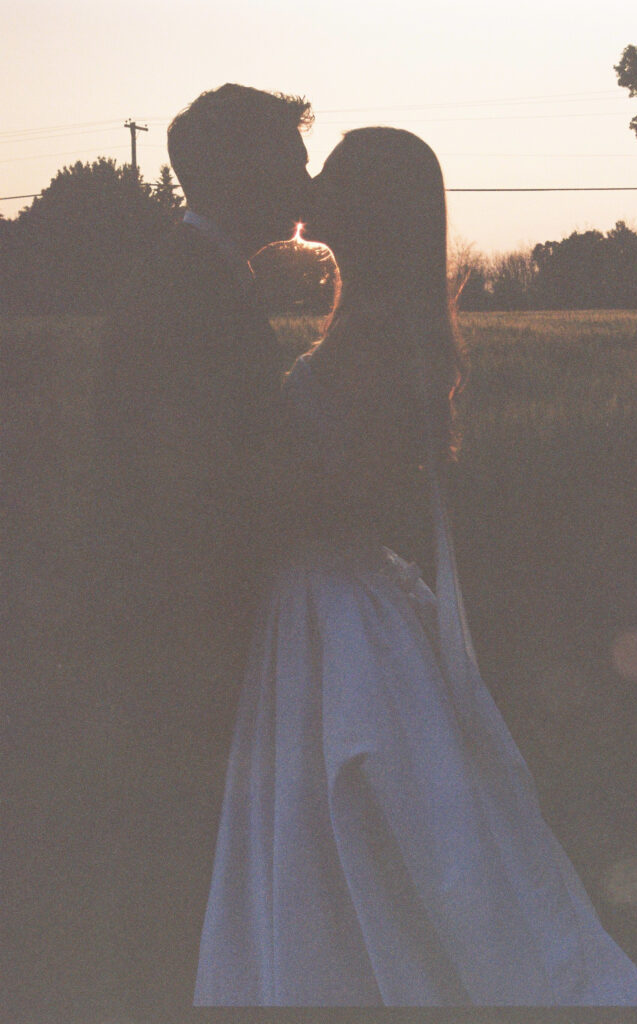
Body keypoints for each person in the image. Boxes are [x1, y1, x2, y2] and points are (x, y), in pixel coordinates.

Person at [193, 127, 637, 1006]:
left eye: (334, 167)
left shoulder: (375, 340)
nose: (313, 177)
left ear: (369, 207)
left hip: (332, 604)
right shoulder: (372, 323)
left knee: (364, 818)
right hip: (321, 603)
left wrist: (239, 481)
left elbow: (359, 493)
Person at [96, 84, 312, 1017]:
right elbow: (192, 486)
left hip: (192, 618)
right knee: (192, 849)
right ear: (239, 170)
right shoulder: (185, 289)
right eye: (290, 155)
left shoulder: (197, 272)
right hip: (188, 628)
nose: (306, 173)